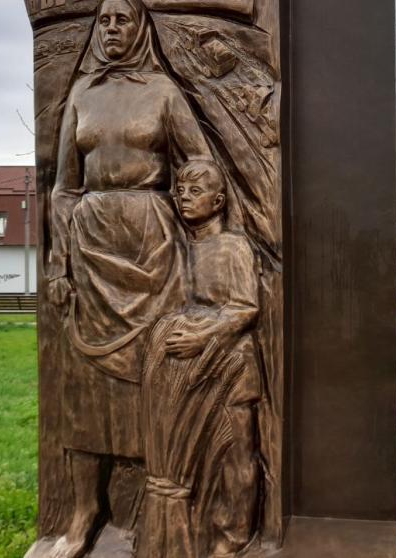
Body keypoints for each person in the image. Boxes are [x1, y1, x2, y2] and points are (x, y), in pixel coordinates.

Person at [45, 0, 213, 555]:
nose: (112, 28)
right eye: (104, 20)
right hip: (92, 245)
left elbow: (200, 168)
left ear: (140, 28)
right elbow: (65, 186)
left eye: (122, 19)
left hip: (152, 244)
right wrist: (59, 260)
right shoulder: (82, 95)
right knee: (85, 384)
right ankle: (82, 512)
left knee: (150, 378)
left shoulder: (164, 93)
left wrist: (208, 244)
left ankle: (146, 509)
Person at [139, 160, 263, 558]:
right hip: (184, 374)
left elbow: (245, 308)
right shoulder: (178, 250)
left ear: (219, 200)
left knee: (235, 452)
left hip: (231, 366)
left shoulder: (234, 246)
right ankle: (190, 527)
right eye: (180, 191)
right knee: (198, 454)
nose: (183, 198)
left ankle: (235, 533)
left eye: (194, 192)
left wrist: (202, 335)